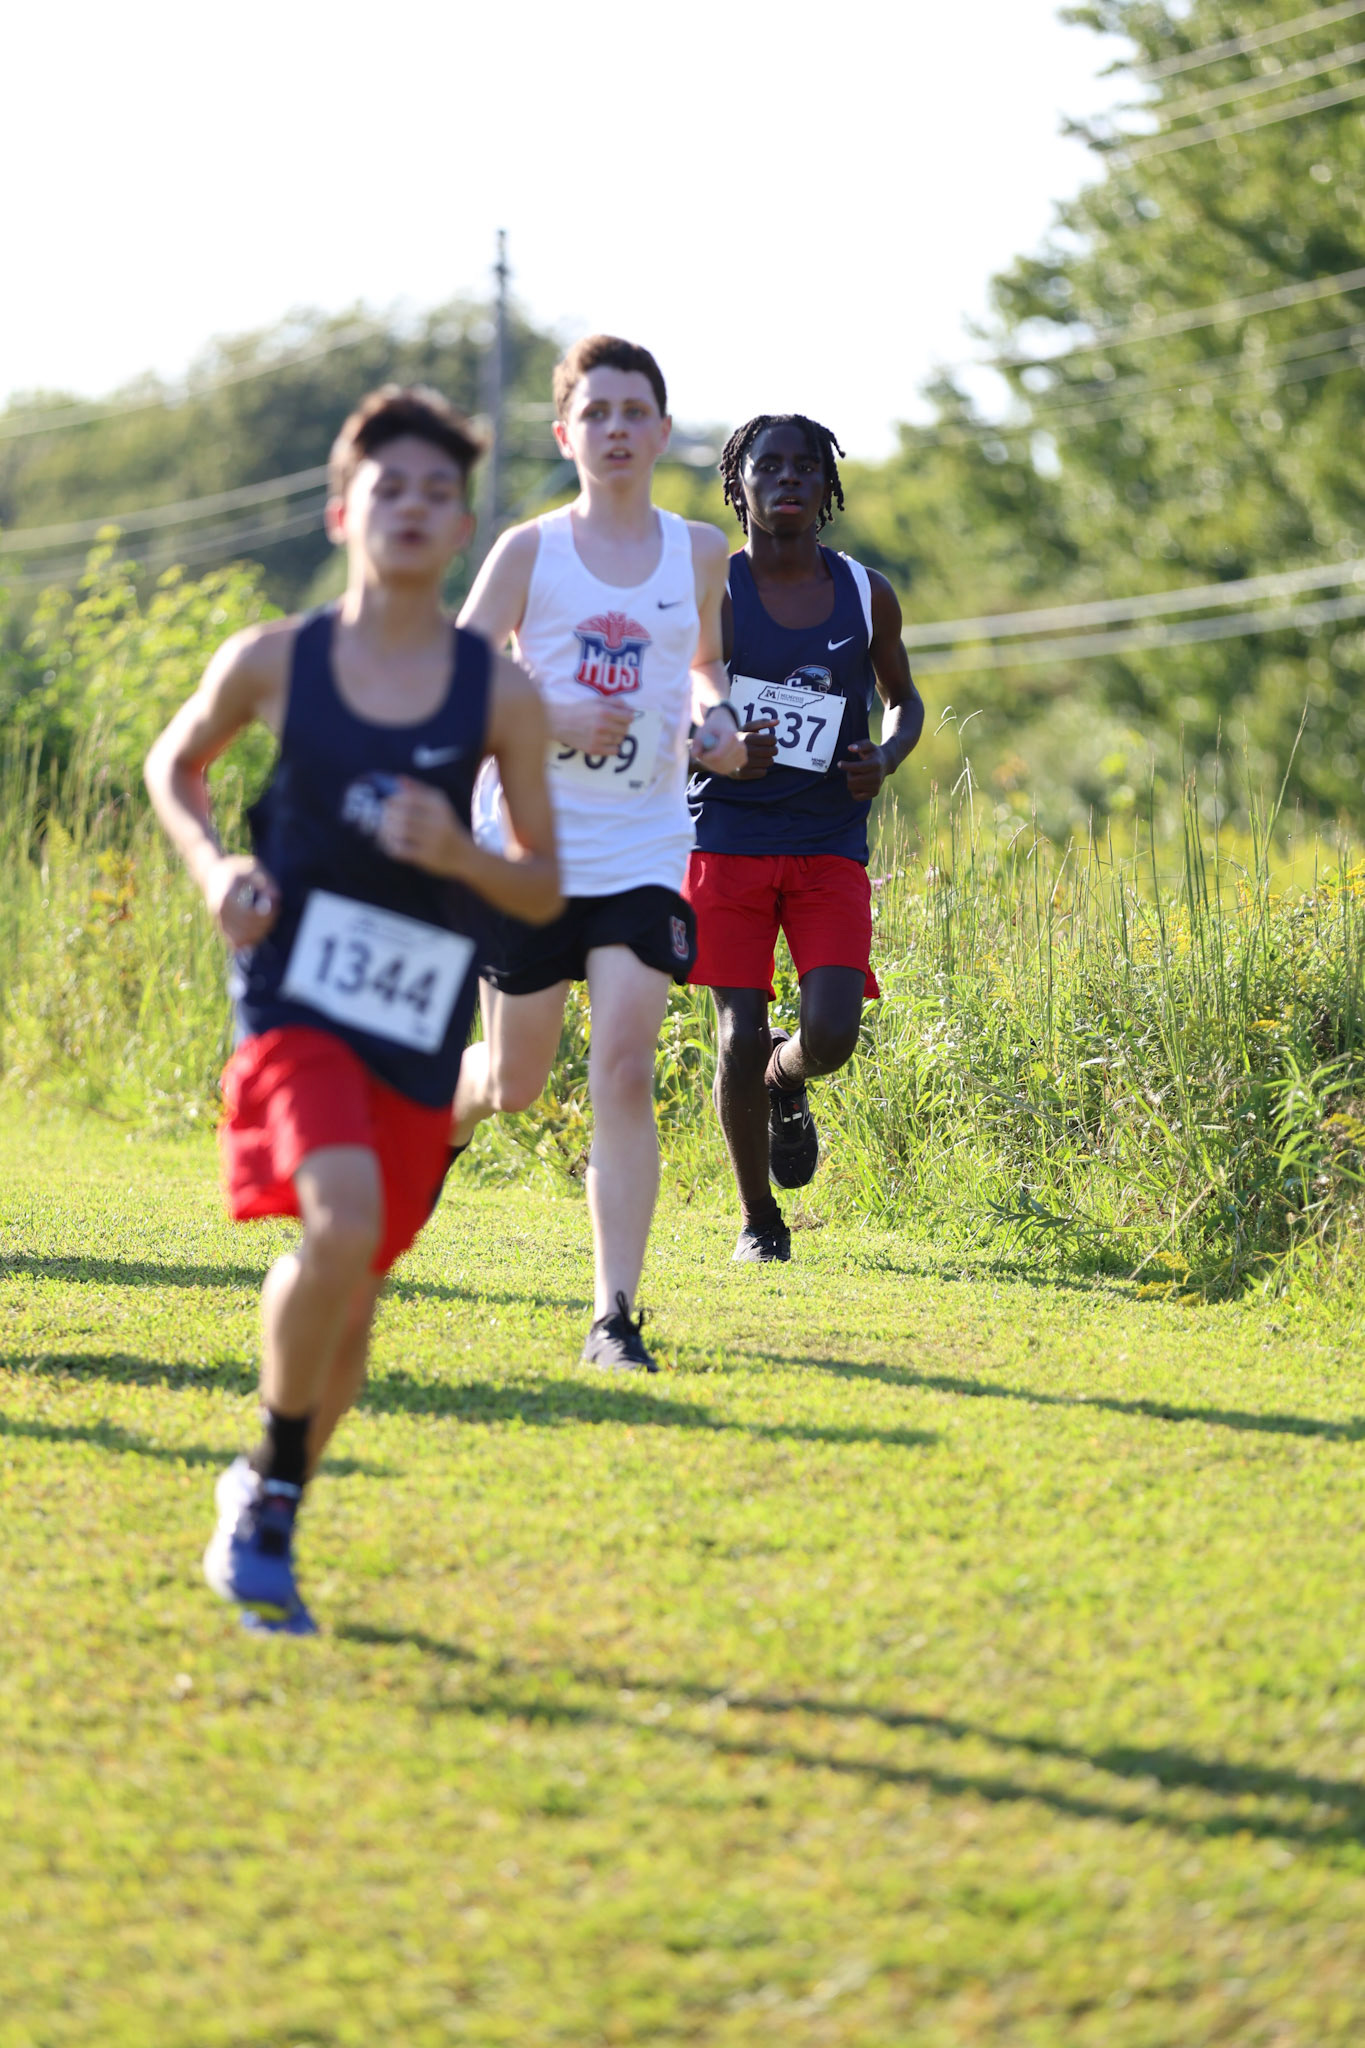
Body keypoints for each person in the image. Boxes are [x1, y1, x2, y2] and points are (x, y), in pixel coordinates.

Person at [143, 385, 561, 1633]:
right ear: (346, 510)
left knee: (354, 1288)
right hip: (290, 999)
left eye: (441, 491)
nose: (417, 507)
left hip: (421, 1010)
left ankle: (265, 1489)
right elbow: (176, 765)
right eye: (393, 488)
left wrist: (464, 852)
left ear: (462, 519)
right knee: (341, 1214)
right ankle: (270, 1492)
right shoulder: (275, 658)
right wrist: (217, 870)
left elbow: (540, 881)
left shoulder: (497, 693)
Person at [450, 334, 751, 1370]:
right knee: (516, 1083)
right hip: (530, 848)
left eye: (635, 411)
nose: (617, 428)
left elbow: (704, 663)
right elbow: (457, 674)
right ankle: (453, 1105)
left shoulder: (701, 551)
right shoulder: (528, 552)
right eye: (598, 411)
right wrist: (550, 714)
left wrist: (715, 718)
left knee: (624, 1066)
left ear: (663, 431)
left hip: (646, 848)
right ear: (565, 432)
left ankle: (613, 1314)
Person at [684, 413, 925, 1263]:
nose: (788, 479)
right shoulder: (711, 588)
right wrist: (716, 746)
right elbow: (670, 707)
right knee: (734, 1034)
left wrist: (886, 756)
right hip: (724, 835)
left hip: (828, 840)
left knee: (829, 1034)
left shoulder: (865, 591)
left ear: (828, 489)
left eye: (805, 468)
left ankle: (785, 1088)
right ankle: (759, 1221)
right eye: (768, 466)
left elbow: (902, 697)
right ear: (738, 485)